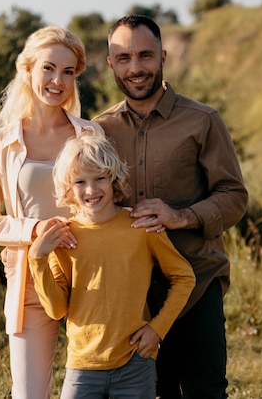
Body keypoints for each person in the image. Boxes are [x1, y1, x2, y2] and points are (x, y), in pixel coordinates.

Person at [92, 15, 248, 399]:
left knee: (205, 392)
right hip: (133, 295)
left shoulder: (203, 120)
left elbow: (234, 196)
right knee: (152, 393)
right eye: (123, 58)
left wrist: (181, 216)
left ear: (163, 57)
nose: (135, 68)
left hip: (197, 280)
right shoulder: (98, 131)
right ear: (111, 64)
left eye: (145, 56)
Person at [0, 26, 104, 399]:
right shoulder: (0, 142)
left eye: (67, 72)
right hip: (31, 278)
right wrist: (34, 230)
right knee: (29, 394)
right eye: (48, 68)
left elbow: (110, 197)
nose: (57, 80)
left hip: (91, 275)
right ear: (28, 70)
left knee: (93, 390)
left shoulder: (90, 135)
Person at [28, 132, 196, 399]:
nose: (91, 190)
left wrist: (157, 329)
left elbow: (184, 277)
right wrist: (37, 259)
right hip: (82, 365)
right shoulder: (64, 236)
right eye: (80, 182)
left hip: (135, 361)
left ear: (114, 179)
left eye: (100, 179)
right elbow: (57, 309)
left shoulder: (141, 227)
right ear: (68, 187)